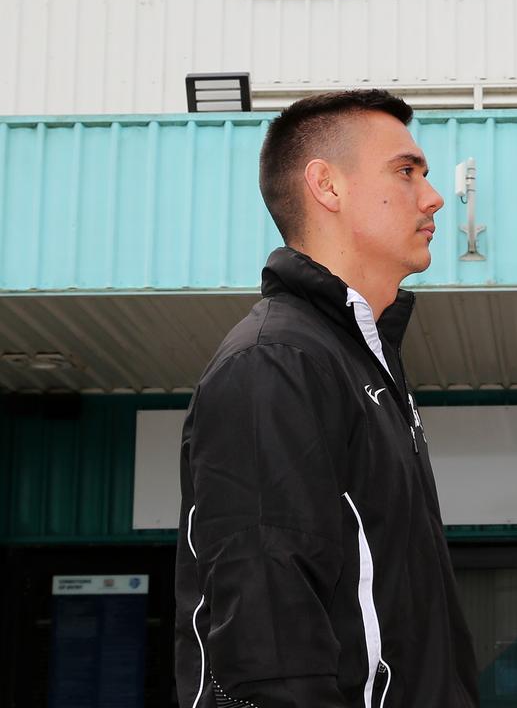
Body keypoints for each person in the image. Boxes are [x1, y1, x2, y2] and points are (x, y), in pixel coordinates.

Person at [174, 90, 479, 708]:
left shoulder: (357, 361)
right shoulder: (274, 362)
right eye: (406, 170)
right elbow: (266, 647)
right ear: (327, 186)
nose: (434, 195)